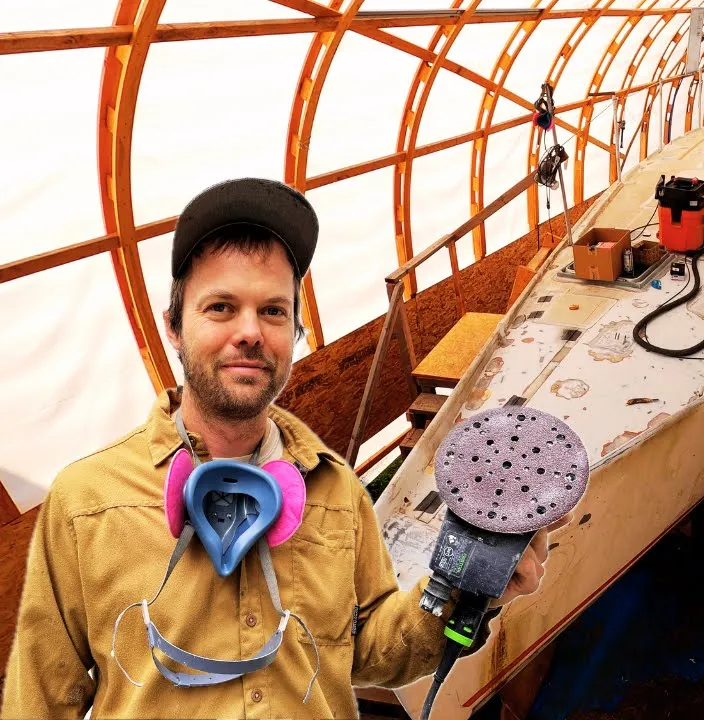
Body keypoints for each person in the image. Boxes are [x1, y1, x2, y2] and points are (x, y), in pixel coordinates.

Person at [1, 178, 562, 719]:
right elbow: (41, 699)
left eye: (273, 310)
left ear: (293, 332)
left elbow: (370, 652)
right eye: (221, 307)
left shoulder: (336, 490)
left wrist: (468, 589)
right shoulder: (86, 503)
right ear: (173, 327)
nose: (250, 332)